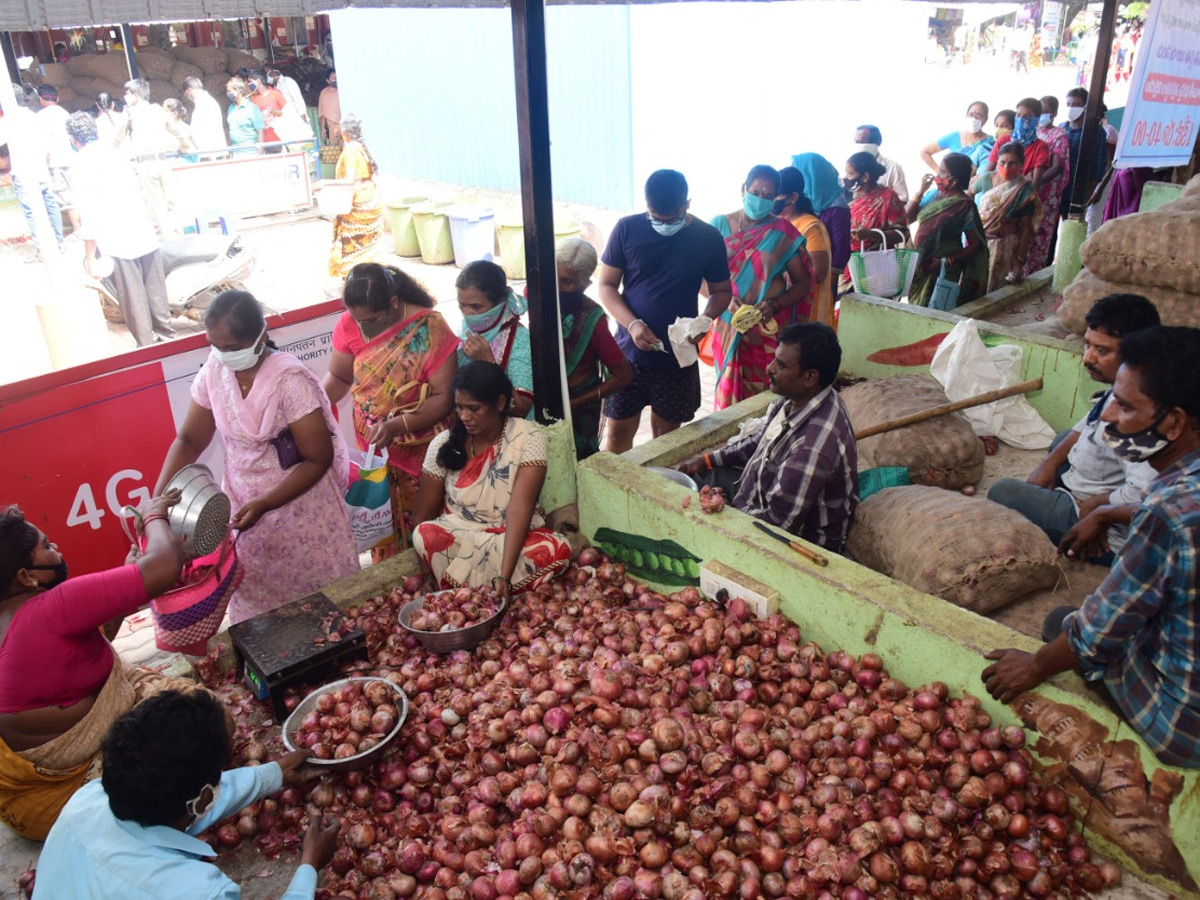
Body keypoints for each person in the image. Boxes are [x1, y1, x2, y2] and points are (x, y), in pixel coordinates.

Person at [983, 326, 1200, 769]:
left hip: (1184, 724)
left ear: (1174, 423)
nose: (1107, 416)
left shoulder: (1169, 511)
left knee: (1062, 622)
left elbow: (1098, 633)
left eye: (1125, 406)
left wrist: (1036, 666)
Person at [157, 291, 359, 624]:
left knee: (324, 616)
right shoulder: (214, 373)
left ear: (260, 336)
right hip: (244, 512)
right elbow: (189, 439)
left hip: (301, 515)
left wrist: (266, 503)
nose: (224, 356)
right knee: (262, 621)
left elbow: (317, 458)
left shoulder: (290, 381)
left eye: (233, 348)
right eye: (216, 346)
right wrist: (157, 499)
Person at [0, 496, 193, 840]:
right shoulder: (51, 607)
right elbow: (166, 566)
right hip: (78, 787)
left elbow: (75, 658)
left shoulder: (16, 618)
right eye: (46, 546)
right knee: (203, 717)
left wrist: (128, 578)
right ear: (26, 576)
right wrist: (154, 516)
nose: (56, 547)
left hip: (31, 807)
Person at [37, 690, 340, 898]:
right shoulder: (198, 891)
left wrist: (272, 775)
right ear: (203, 799)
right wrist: (309, 867)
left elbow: (191, 800)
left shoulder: (83, 801)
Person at [988, 293, 1160, 557]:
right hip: (1091, 494)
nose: (1087, 358)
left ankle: (1077, 532)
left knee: (1003, 493)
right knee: (1066, 439)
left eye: (1102, 350)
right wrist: (1050, 463)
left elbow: (1144, 494)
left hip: (1105, 529)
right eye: (1087, 345)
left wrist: (1098, 510)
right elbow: (1085, 425)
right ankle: (1061, 493)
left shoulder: (1141, 412)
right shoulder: (1122, 388)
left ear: (1136, 353)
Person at [679, 323, 858, 552]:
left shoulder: (813, 448)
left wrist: (727, 511)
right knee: (696, 479)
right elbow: (760, 440)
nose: (769, 368)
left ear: (810, 377)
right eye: (775, 359)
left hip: (798, 542)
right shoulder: (798, 397)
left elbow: (776, 525)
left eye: (781, 365)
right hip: (760, 497)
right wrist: (707, 460)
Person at [323, 264, 459, 557]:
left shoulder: (429, 327)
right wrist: (313, 407)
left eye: (370, 320)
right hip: (374, 451)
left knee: (425, 528)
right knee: (383, 525)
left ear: (394, 303)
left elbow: (443, 397)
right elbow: (339, 378)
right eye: (356, 318)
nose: (362, 326)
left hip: (419, 447)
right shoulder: (348, 324)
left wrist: (397, 426)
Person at [597, 169, 732, 453]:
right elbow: (607, 286)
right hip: (627, 356)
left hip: (676, 359)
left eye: (671, 218)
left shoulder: (707, 237)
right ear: (647, 206)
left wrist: (704, 321)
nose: (663, 224)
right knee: (618, 437)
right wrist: (632, 324)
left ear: (687, 204)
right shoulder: (626, 229)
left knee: (665, 441)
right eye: (656, 218)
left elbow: (721, 291)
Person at [413, 363, 572, 596]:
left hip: (509, 536)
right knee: (424, 534)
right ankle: (481, 591)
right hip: (461, 534)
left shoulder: (527, 437)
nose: (464, 417)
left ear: (499, 403)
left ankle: (470, 589)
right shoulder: (443, 443)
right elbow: (422, 516)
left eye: (473, 408)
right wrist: (425, 571)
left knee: (556, 548)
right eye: (459, 408)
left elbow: (519, 510)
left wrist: (504, 576)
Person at [66, 111, 174, 347]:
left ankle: (147, 348)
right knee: (156, 292)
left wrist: (90, 257)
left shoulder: (80, 165)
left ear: (74, 140)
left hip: (117, 240)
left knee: (133, 299)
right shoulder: (116, 154)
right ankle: (167, 337)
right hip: (143, 231)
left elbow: (89, 214)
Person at [710, 164, 814, 409]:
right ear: (743, 190)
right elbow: (701, 279)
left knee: (764, 394)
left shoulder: (782, 232)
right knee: (729, 398)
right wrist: (724, 301)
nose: (760, 200)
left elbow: (803, 283)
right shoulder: (719, 226)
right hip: (727, 323)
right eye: (755, 192)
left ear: (776, 198)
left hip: (764, 327)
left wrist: (774, 304)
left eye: (768, 196)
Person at [555, 238, 633, 459]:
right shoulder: (537, 295)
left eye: (567, 281)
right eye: (554, 278)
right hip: (545, 399)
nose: (558, 288)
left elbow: (623, 376)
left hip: (579, 408)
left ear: (585, 285)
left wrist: (577, 402)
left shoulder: (592, 319)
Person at [905, 152, 988, 307]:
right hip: (921, 264)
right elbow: (907, 219)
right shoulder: (932, 195)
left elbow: (975, 244)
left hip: (943, 269)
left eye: (943, 172)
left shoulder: (965, 205)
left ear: (955, 178)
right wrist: (920, 191)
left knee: (937, 309)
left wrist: (946, 262)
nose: (938, 175)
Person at [456, 260, 535, 420]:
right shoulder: (467, 329)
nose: (467, 313)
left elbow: (521, 408)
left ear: (499, 301)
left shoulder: (519, 340)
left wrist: (489, 363)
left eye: (476, 307)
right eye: (461, 305)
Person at [0, 88, 62, 251]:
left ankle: (42, 248)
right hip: (41, 170)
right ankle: (59, 243)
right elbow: (48, 149)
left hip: (23, 173)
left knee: (31, 212)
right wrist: (44, 166)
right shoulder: (36, 117)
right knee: (51, 206)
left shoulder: (7, 122)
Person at [773, 166, 835, 327]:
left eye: (776, 195)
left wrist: (780, 274)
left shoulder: (810, 227)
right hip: (779, 307)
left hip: (802, 310)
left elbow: (819, 272)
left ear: (793, 197)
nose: (771, 200)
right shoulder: (777, 223)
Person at [976, 142, 1041, 292]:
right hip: (980, 243)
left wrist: (1019, 262)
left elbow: (1026, 229)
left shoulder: (1024, 190)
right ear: (996, 161)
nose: (1006, 167)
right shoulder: (986, 179)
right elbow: (967, 198)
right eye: (1002, 162)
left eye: (1012, 163)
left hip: (1005, 246)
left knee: (996, 292)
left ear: (1021, 165)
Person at [843, 151, 909, 291]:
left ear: (865, 177)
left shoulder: (888, 197)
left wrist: (870, 234)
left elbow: (902, 234)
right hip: (848, 264)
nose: (846, 178)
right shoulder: (846, 196)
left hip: (875, 267)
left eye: (850, 174)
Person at [328, 114, 383, 278]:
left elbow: (350, 180)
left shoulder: (351, 151)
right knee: (367, 243)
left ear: (344, 131)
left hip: (358, 201)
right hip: (371, 198)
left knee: (353, 242)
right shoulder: (361, 147)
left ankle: (355, 276)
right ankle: (368, 274)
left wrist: (328, 186)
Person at [120, 79, 178, 237]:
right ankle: (178, 233)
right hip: (163, 161)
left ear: (136, 96)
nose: (126, 97)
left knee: (157, 204)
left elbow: (117, 139)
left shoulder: (130, 114)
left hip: (146, 164)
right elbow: (177, 130)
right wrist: (186, 147)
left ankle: (169, 238)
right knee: (171, 201)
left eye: (128, 94)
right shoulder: (158, 110)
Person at [1029, 94, 1071, 272]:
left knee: (1041, 233)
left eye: (1047, 112)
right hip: (1029, 189)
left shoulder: (1058, 134)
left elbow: (1056, 167)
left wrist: (1035, 184)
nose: (1044, 115)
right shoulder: (1033, 132)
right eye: (1041, 111)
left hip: (1046, 194)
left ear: (1054, 113)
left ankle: (1035, 272)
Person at [791, 153, 852, 274]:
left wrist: (829, 281)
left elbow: (841, 250)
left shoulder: (837, 207)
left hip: (825, 274)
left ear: (812, 175)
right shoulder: (803, 199)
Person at [35, 84, 79, 236]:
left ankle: (78, 230)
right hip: (71, 158)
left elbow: (44, 145)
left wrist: (44, 165)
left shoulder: (40, 117)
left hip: (55, 161)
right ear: (57, 98)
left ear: (40, 99)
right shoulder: (64, 113)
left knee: (65, 198)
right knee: (75, 193)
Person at [984, 98, 1049, 198]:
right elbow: (987, 173)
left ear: (1036, 119)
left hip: (1022, 198)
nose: (1021, 119)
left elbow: (1035, 185)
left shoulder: (1040, 147)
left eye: (1027, 116)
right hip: (997, 195)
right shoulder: (1003, 140)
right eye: (1018, 115)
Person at [1061, 87, 1107, 218]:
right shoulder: (1061, 128)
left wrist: (1091, 191)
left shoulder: (1095, 131)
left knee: (1071, 226)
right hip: (1057, 190)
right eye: (1069, 104)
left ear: (1085, 107)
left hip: (1077, 190)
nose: (1071, 108)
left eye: (1076, 105)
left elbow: (1098, 165)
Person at [919, 101, 995, 176]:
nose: (974, 118)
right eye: (971, 114)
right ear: (966, 116)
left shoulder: (990, 142)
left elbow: (988, 168)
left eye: (979, 115)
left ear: (985, 119)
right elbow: (925, 152)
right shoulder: (954, 137)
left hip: (974, 185)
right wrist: (940, 173)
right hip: (950, 184)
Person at [853, 125, 908, 204]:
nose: (856, 146)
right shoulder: (850, 166)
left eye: (860, 143)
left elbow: (903, 199)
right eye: (855, 142)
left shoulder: (893, 167)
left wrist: (878, 207)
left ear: (875, 144)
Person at [181, 76, 226, 157]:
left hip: (209, 154)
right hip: (212, 152)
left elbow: (204, 130)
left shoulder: (204, 103)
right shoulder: (207, 101)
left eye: (186, 94)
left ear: (190, 90)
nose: (187, 97)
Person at [246, 67, 285, 151]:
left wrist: (275, 112)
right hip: (263, 142)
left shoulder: (276, 94)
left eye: (250, 81)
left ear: (258, 81)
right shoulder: (252, 99)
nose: (248, 85)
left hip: (280, 139)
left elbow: (288, 114)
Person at [225, 77, 264, 156]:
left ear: (238, 91)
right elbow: (230, 130)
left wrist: (259, 155)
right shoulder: (231, 108)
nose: (227, 93)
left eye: (229, 91)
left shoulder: (252, 108)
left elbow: (260, 132)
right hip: (235, 153)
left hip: (251, 153)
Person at [317, 68, 340, 146]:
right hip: (332, 128)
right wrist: (323, 128)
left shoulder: (343, 90)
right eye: (333, 79)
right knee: (335, 150)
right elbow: (322, 112)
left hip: (344, 126)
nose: (335, 80)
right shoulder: (324, 93)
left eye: (337, 78)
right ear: (328, 80)